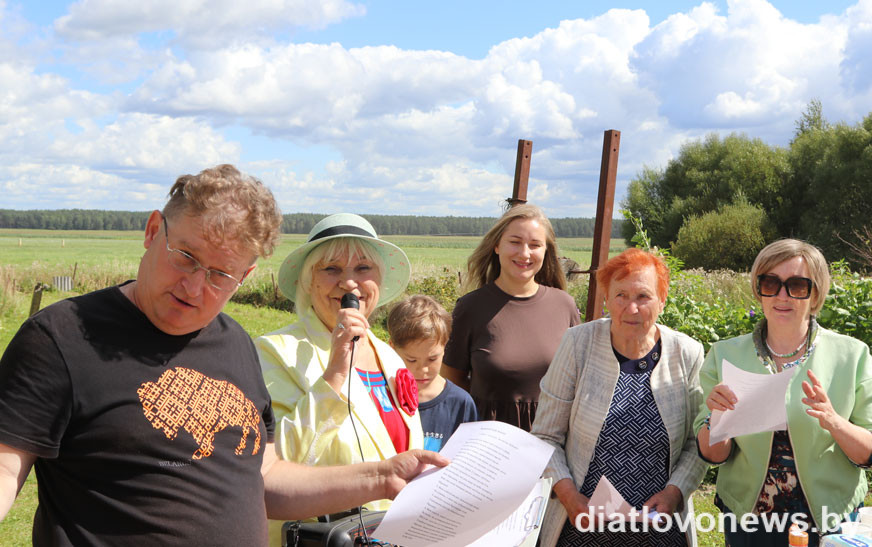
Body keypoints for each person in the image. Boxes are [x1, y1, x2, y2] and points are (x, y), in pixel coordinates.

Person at [0, 165, 446, 546]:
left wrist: (384, 477)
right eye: (185, 257)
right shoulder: (61, 336)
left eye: (220, 274)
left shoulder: (236, 344)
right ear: (153, 230)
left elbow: (266, 478)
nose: (194, 287)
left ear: (246, 275)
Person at [255, 213, 424, 541]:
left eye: (363, 269)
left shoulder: (387, 355)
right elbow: (273, 472)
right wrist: (333, 376)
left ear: (379, 280)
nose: (349, 283)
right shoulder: (274, 351)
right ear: (309, 281)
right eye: (331, 269)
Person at [695, 239, 872, 546]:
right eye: (770, 283)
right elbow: (713, 454)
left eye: (797, 286)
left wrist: (833, 421)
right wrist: (720, 420)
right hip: (750, 519)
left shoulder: (852, 355)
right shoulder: (725, 355)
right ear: (758, 289)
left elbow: (868, 452)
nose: (782, 296)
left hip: (829, 518)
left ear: (815, 293)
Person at [532, 248, 708, 547]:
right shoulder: (578, 345)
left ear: (662, 301)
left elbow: (696, 442)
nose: (631, 308)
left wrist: (674, 492)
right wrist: (570, 498)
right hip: (581, 526)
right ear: (607, 299)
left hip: (659, 529)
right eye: (621, 296)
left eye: (643, 296)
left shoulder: (686, 352)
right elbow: (546, 437)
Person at [442, 204, 580, 431]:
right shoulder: (470, 307)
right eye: (515, 242)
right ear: (497, 246)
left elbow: (577, 380)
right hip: (488, 444)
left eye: (535, 245)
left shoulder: (564, 305)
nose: (524, 253)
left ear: (546, 252)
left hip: (551, 443)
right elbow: (452, 382)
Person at [387, 295, 478, 452]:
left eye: (432, 359)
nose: (423, 370)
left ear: (445, 345)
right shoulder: (383, 396)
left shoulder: (461, 403)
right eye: (411, 360)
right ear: (392, 348)